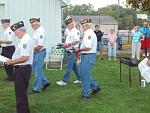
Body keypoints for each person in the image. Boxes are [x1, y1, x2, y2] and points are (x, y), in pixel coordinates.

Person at [5, 21, 33, 113]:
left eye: (16, 32)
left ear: (21, 30)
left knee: (20, 94)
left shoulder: (25, 40)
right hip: (22, 69)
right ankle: (24, 110)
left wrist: (12, 61)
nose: (16, 35)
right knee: (22, 93)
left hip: (22, 69)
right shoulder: (25, 39)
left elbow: (25, 57)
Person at [75, 18, 100, 99]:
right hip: (86, 55)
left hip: (88, 56)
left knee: (84, 76)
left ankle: (86, 94)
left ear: (86, 25)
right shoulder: (88, 33)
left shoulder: (89, 34)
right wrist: (80, 51)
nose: (82, 27)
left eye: (83, 25)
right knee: (85, 74)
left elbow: (88, 47)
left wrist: (79, 50)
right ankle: (95, 87)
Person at [56, 16, 81, 86]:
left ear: (72, 24)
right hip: (69, 50)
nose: (67, 26)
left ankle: (64, 81)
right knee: (74, 67)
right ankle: (80, 79)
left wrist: (67, 44)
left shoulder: (76, 31)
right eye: (67, 25)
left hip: (72, 51)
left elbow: (76, 41)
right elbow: (69, 41)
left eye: (68, 25)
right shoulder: (70, 31)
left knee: (69, 67)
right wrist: (63, 45)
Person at [29, 18, 50, 93]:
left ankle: (37, 88)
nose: (32, 26)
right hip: (36, 52)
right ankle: (46, 82)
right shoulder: (36, 31)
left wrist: (30, 50)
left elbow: (40, 46)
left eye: (33, 24)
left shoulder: (41, 31)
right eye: (31, 25)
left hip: (40, 52)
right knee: (36, 70)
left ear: (38, 23)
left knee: (37, 70)